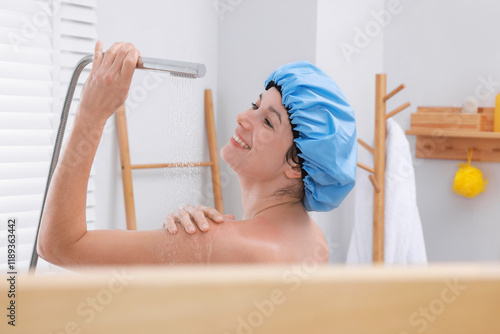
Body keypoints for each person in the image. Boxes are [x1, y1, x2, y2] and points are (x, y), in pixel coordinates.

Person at [37, 41, 357, 267]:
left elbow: (59, 246)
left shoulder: (214, 242)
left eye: (268, 122)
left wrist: (91, 116)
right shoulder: (315, 240)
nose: (244, 118)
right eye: (256, 105)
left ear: (297, 167)